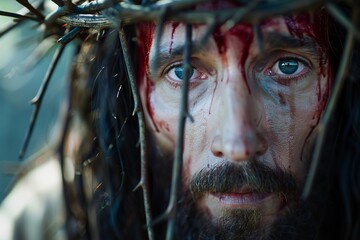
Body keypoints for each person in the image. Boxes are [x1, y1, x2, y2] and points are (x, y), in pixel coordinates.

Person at [0, 1, 359, 239]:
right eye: (184, 72)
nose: (237, 144)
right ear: (128, 92)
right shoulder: (41, 224)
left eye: (287, 66)